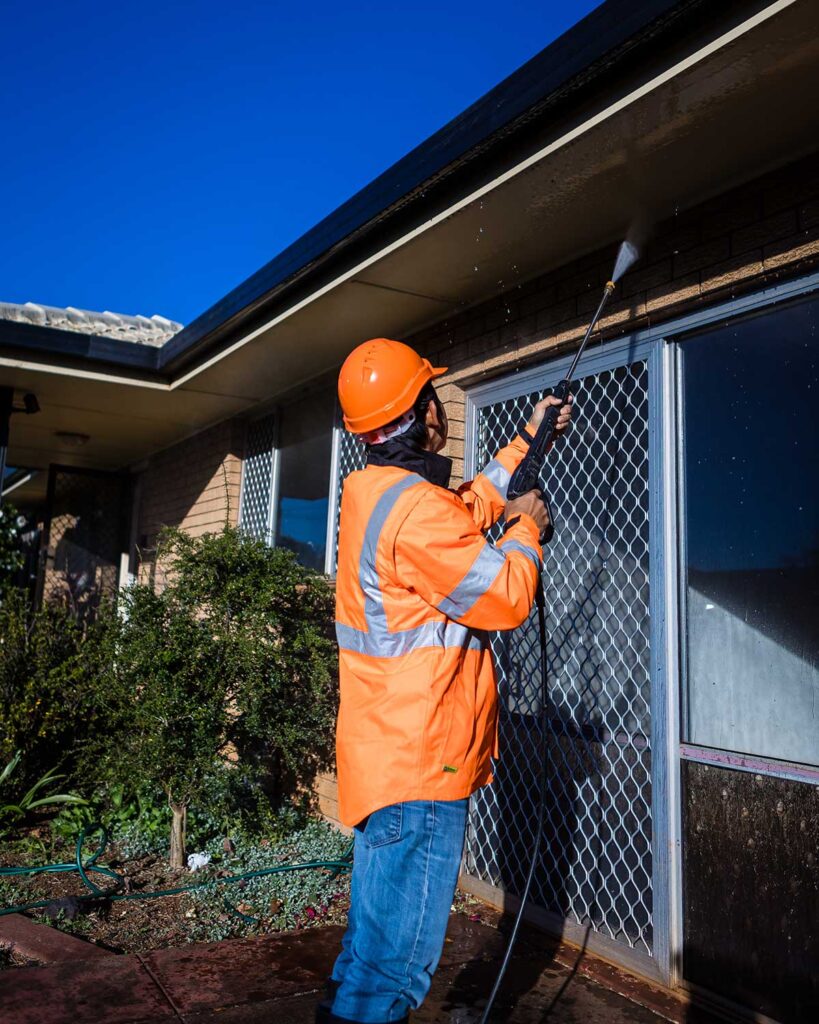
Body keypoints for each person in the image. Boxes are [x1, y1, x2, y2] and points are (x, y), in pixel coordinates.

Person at [321, 338, 572, 1024]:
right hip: (421, 764)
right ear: (422, 414)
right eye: (434, 397)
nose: (442, 409)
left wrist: (528, 438)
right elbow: (504, 598)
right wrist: (525, 531)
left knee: (368, 953)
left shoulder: (376, 493)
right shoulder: (416, 511)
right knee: (390, 973)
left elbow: (462, 509)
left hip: (387, 755)